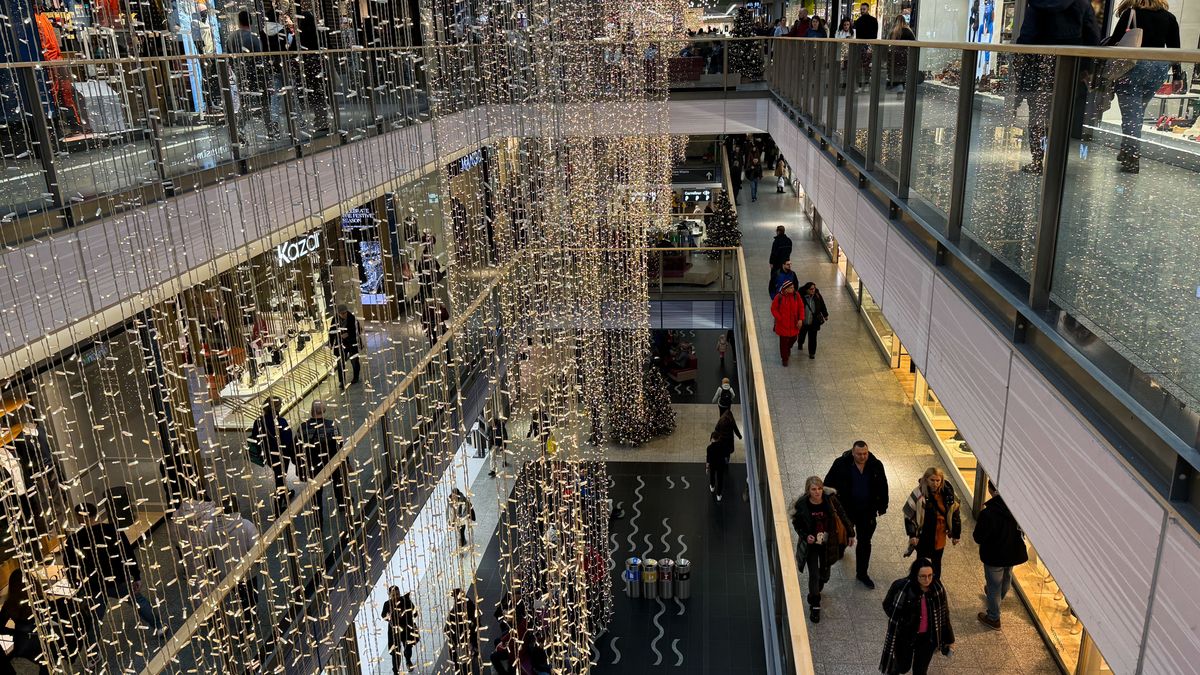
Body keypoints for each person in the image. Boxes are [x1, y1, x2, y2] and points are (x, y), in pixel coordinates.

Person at [63, 502, 168, 665]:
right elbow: (127, 553)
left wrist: (75, 584)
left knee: (93, 621)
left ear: (79, 518)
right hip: (119, 578)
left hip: (94, 585)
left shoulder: (74, 540)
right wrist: (136, 575)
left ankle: (93, 655)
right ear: (95, 514)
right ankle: (159, 626)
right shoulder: (112, 530)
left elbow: (70, 566)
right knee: (138, 601)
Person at [1013, 0, 1100, 174]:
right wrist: (1087, 67)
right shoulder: (1082, 4)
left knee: (1037, 114)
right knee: (1063, 114)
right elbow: (1093, 38)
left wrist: (1022, 66)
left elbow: (1026, 38)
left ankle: (1037, 161)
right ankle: (1056, 161)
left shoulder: (1036, 4)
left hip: (1039, 67)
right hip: (1071, 68)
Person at [1107, 0, 1183, 173]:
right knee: (1137, 112)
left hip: (1133, 66)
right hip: (1158, 68)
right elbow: (1175, 49)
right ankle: (1126, 149)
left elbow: (1115, 41)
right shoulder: (1169, 18)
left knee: (1131, 115)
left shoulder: (1131, 14)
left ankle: (1132, 156)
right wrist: (1177, 76)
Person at [823, 440, 888, 588]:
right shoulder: (840, 464)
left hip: (867, 511)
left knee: (865, 542)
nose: (862, 456)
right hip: (846, 510)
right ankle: (840, 550)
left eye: (865, 453)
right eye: (859, 454)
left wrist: (882, 506)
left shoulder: (876, 465)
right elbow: (828, 483)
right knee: (843, 534)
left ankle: (862, 573)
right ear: (853, 452)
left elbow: (883, 486)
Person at [791, 476, 855, 623]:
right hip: (812, 545)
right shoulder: (802, 505)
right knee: (813, 573)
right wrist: (806, 536)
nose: (817, 492)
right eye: (814, 489)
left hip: (828, 541)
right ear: (808, 491)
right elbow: (797, 524)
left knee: (824, 574)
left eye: (819, 488)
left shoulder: (830, 500)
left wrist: (851, 533)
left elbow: (842, 514)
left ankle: (818, 587)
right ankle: (815, 603)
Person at [880, 558, 955, 674]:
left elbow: (944, 614)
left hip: (927, 639)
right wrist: (901, 619)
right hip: (905, 637)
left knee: (920, 671)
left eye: (930, 575)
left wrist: (950, 639)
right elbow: (887, 605)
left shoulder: (937, 588)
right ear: (915, 575)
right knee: (903, 667)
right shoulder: (902, 587)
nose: (927, 580)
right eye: (923, 576)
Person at [973, 482, 1028, 630]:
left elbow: (978, 537)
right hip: (1012, 553)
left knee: (994, 586)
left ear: (991, 490)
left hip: (994, 556)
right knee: (1006, 578)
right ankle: (995, 600)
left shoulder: (988, 513)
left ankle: (993, 617)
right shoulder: (1017, 510)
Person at [298, 400, 352, 537]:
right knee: (338, 484)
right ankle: (342, 504)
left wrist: (300, 468)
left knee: (316, 495)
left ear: (311, 411)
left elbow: (297, 449)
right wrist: (347, 463)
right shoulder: (332, 426)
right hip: (332, 462)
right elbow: (340, 447)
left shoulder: (302, 428)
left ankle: (318, 524)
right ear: (324, 410)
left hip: (312, 467)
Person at [902, 467, 962, 579]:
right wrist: (912, 535)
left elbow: (955, 514)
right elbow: (908, 514)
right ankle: (917, 581)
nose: (935, 483)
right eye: (932, 480)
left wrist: (956, 534)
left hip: (939, 535)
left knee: (937, 562)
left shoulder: (948, 494)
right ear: (926, 479)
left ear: (942, 480)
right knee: (921, 561)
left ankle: (934, 583)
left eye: (938, 480)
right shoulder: (919, 493)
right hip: (924, 534)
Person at [250, 396, 296, 518]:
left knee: (280, 475)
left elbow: (255, 437)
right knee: (280, 479)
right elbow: (288, 442)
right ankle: (277, 507)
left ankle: (286, 493)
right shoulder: (281, 422)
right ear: (276, 408)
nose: (281, 407)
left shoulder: (258, 421)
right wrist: (293, 456)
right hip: (281, 456)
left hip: (268, 456)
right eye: (279, 405)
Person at [224, 11, 270, 133]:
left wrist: (237, 70)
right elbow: (260, 59)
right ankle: (270, 129)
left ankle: (239, 130)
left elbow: (229, 58)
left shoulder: (231, 38)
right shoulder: (254, 38)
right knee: (264, 102)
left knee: (244, 104)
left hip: (240, 74)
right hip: (256, 74)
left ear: (238, 21)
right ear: (251, 22)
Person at [0, 569, 50, 675]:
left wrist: (14, 632)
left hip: (22, 644)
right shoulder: (40, 599)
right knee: (45, 666)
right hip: (41, 642)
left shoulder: (10, 604)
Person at [294, 0, 330, 132]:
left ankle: (320, 119)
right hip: (318, 64)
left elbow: (294, 49)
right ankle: (322, 118)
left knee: (313, 93)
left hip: (307, 66)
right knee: (320, 91)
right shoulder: (318, 34)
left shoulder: (301, 35)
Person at [383, 587, 419, 673]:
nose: (396, 596)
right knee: (396, 653)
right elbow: (383, 615)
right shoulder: (387, 604)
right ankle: (395, 671)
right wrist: (388, 617)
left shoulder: (406, 600)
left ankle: (408, 661)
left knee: (408, 647)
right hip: (394, 632)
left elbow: (415, 613)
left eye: (397, 594)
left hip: (407, 629)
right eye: (393, 595)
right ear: (389, 595)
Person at [444, 588, 480, 674]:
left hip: (460, 636)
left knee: (459, 654)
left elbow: (447, 628)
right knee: (464, 654)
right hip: (463, 635)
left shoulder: (456, 610)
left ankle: (461, 666)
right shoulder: (467, 603)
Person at [770, 279, 804, 366]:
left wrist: (800, 319)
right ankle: (784, 359)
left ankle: (787, 348)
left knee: (794, 338)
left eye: (793, 287)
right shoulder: (779, 297)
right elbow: (773, 308)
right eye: (791, 288)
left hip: (794, 323)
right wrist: (779, 318)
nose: (793, 289)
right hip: (783, 324)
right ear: (786, 289)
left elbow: (801, 307)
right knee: (783, 342)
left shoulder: (796, 295)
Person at [796, 282, 829, 359]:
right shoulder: (801, 296)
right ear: (806, 290)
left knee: (813, 338)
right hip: (804, 322)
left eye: (814, 288)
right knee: (801, 335)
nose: (813, 290)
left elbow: (822, 305)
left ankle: (812, 353)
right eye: (811, 289)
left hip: (814, 322)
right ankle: (800, 343)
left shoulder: (817, 296)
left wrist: (825, 314)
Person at [332, 304, 363, 388]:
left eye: (344, 313)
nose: (343, 315)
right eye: (341, 313)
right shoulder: (335, 320)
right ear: (338, 313)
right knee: (340, 363)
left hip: (352, 343)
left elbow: (359, 330)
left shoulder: (352, 318)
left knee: (354, 361)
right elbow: (332, 332)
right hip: (341, 344)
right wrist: (331, 344)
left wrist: (348, 334)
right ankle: (342, 381)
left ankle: (355, 377)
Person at [706, 431, 729, 502]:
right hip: (720, 465)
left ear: (712, 438)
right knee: (720, 480)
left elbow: (708, 459)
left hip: (712, 465)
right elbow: (725, 456)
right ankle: (718, 495)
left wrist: (707, 467)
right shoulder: (723, 446)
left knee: (712, 475)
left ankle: (712, 486)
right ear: (719, 438)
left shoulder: (709, 448)